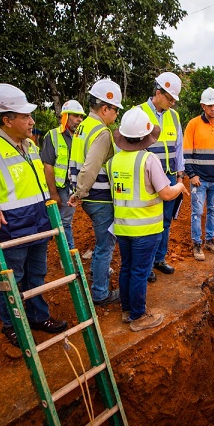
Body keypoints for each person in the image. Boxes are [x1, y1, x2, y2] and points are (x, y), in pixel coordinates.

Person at [0, 83, 67, 347]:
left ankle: (38, 317)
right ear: (7, 120)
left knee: (36, 275)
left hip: (38, 224)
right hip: (11, 229)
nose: (32, 121)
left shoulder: (28, 145)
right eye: (25, 116)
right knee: (12, 281)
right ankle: (13, 324)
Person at [108, 108, 188, 331]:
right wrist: (180, 186)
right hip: (145, 229)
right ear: (145, 136)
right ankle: (138, 316)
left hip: (123, 228)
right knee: (140, 272)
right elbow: (166, 193)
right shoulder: (148, 159)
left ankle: (127, 310)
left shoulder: (114, 161)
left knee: (127, 268)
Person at [68, 79, 123, 306]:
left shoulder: (82, 127)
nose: (116, 115)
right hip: (99, 197)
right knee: (105, 245)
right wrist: (80, 192)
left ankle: (96, 274)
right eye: (115, 110)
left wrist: (77, 190)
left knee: (102, 244)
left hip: (89, 196)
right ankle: (100, 293)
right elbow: (91, 167)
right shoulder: (101, 132)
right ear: (105, 108)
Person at [136, 72, 185, 279]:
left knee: (165, 220)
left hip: (169, 177)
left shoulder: (173, 116)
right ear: (158, 93)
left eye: (174, 100)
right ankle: (146, 266)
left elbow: (179, 147)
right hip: (146, 180)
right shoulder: (139, 113)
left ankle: (159, 258)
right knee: (148, 223)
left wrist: (180, 176)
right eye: (170, 99)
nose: (172, 103)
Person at [183, 87, 214, 261]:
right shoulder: (193, 124)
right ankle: (197, 244)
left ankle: (210, 240)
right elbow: (186, 153)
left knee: (212, 210)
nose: (213, 108)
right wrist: (192, 175)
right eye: (209, 106)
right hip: (199, 179)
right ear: (203, 106)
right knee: (197, 213)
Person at [40, 99, 86, 250]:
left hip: (75, 187)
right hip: (61, 188)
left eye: (81, 116)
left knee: (64, 221)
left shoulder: (82, 137)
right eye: (75, 116)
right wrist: (53, 193)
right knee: (64, 222)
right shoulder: (52, 135)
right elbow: (48, 166)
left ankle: (66, 252)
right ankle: (68, 254)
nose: (79, 119)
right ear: (65, 116)